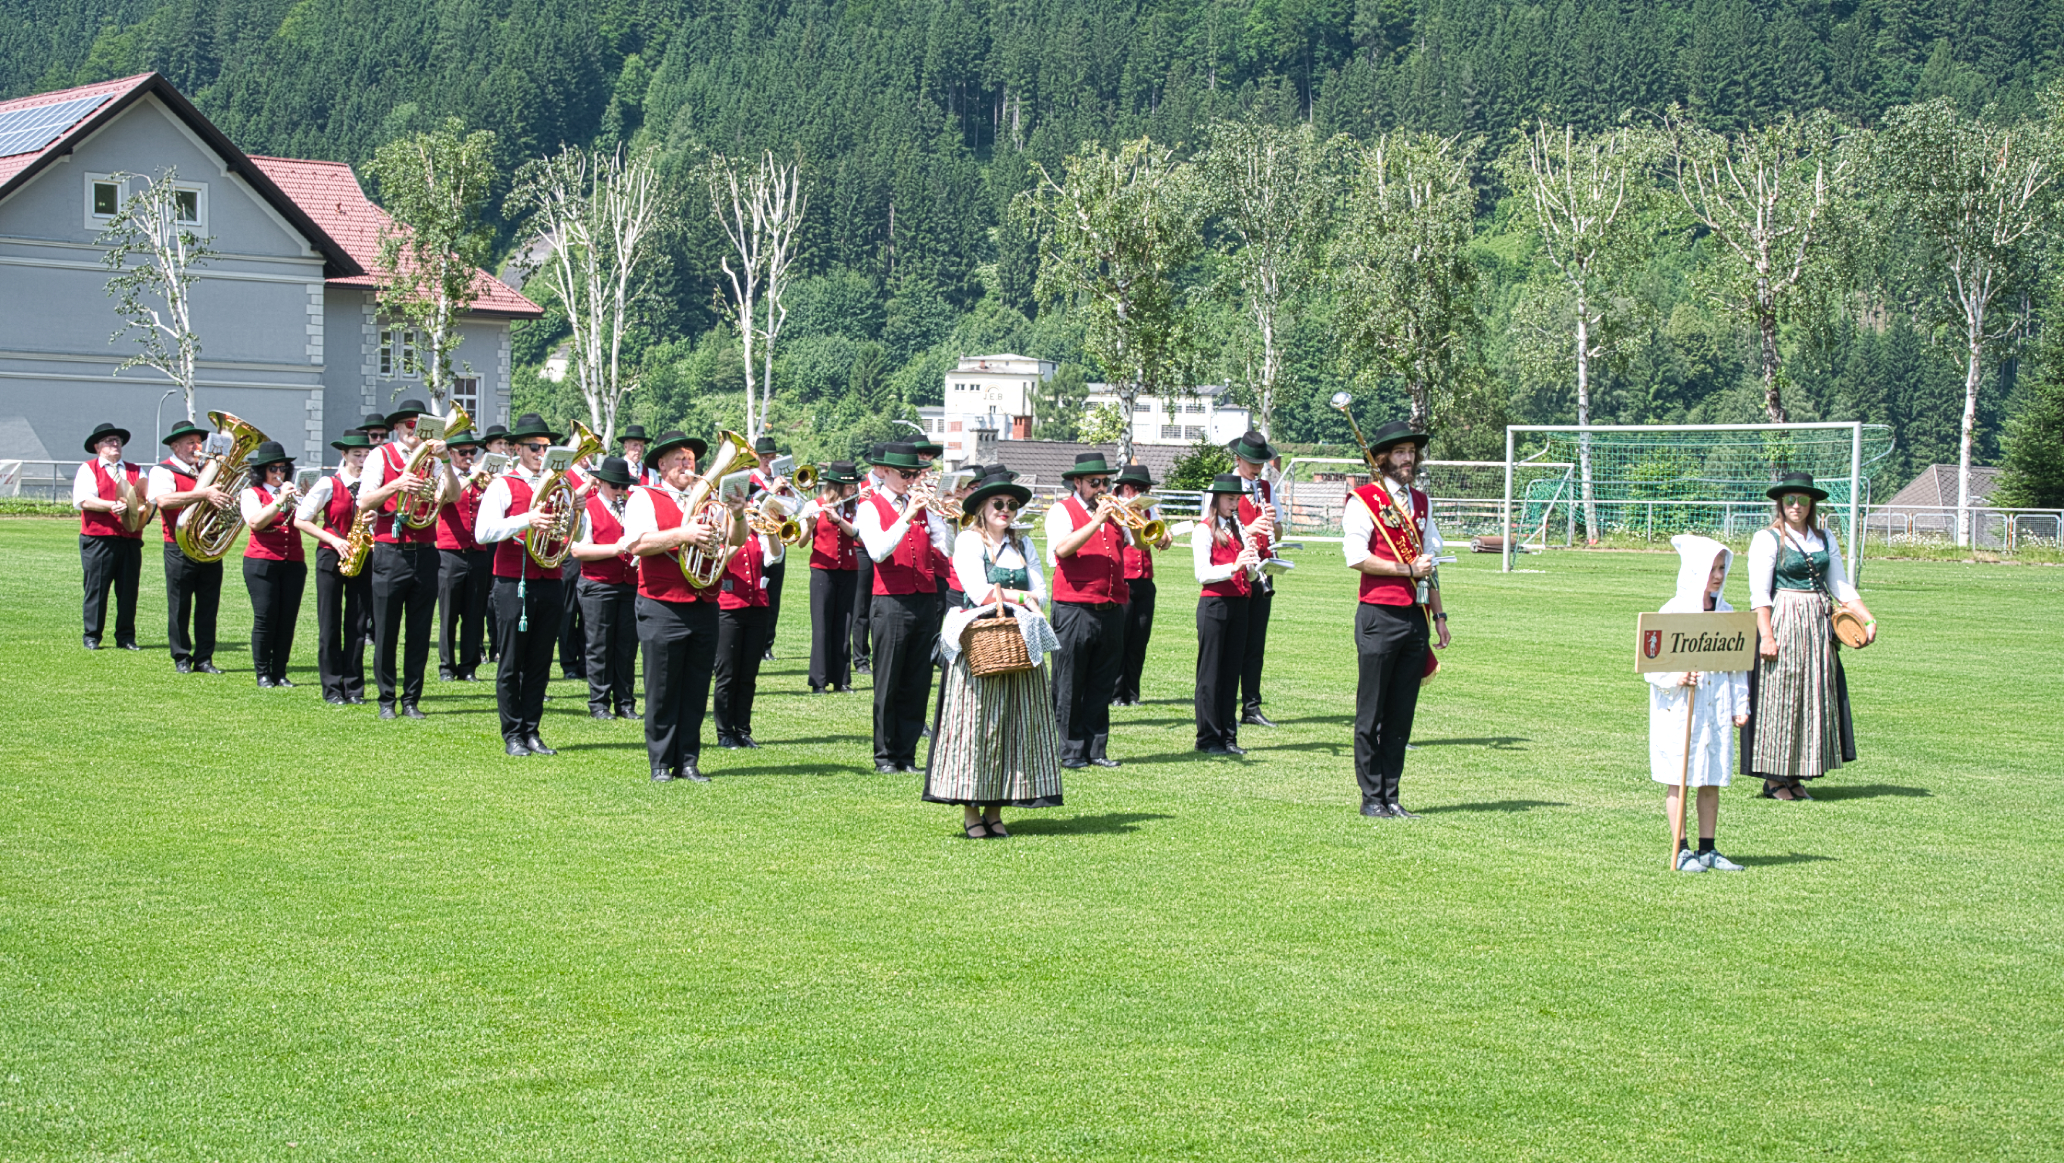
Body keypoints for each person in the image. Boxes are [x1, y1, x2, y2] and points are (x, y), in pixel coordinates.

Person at [925, 469, 1064, 838]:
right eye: (998, 504)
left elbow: (1042, 592)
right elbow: (979, 590)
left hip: (1018, 643)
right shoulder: (969, 541)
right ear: (982, 509)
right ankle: (971, 812)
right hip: (982, 643)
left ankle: (996, 811)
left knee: (1015, 728)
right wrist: (1021, 596)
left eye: (1011, 505)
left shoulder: (1023, 544)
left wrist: (1022, 597)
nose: (1006, 510)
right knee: (977, 729)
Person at [1744, 472, 1877, 801]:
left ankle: (1796, 775)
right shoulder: (1767, 539)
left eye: (1803, 499)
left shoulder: (1824, 537)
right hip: (1785, 619)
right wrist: (1767, 636)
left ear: (1811, 503)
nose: (1796, 506)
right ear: (1781, 503)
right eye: (1790, 499)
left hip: (1817, 624)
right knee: (1781, 696)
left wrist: (1866, 618)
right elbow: (1759, 595)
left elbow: (1840, 585)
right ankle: (1774, 778)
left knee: (1812, 696)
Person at [1343, 420, 1451, 819]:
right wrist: (1406, 569)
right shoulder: (1363, 500)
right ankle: (1371, 797)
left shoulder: (1420, 502)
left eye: (1411, 452)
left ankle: (1391, 795)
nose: (1408, 459)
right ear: (1382, 458)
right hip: (1379, 614)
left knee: (1402, 714)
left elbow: (1430, 563)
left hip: (1414, 617)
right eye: (1400, 452)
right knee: (1371, 713)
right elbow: (1356, 557)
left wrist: (1439, 615)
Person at [624, 431, 746, 783]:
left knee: (696, 687)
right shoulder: (645, 496)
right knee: (662, 688)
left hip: (703, 602)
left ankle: (688, 762)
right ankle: (661, 763)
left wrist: (738, 515)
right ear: (661, 465)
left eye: (690, 458)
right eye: (678, 458)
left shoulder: (711, 502)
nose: (686, 463)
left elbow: (736, 540)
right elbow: (637, 544)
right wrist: (684, 534)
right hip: (662, 604)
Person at [1648, 535, 1750, 872]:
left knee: (1710, 778)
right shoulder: (1672, 612)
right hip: (1679, 708)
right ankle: (1681, 849)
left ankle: (1708, 849)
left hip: (1715, 705)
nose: (1718, 575)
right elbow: (1651, 663)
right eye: (1711, 569)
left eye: (1722, 568)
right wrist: (1676, 676)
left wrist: (1740, 704)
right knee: (1679, 776)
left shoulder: (1727, 614)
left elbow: (1737, 665)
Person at [472, 413, 571, 756]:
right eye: (534, 447)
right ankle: (512, 734)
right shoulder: (504, 484)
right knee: (512, 661)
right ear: (517, 449)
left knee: (541, 662)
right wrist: (526, 520)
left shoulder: (559, 486)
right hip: (514, 581)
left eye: (546, 447)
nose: (541, 453)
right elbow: (483, 532)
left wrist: (577, 511)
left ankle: (531, 731)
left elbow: (576, 536)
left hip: (551, 579)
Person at [854, 442, 953, 775]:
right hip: (890, 601)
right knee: (889, 681)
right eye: (905, 474)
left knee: (917, 680)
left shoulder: (922, 505)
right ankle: (885, 756)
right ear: (885, 472)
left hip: (924, 598)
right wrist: (907, 515)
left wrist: (945, 518)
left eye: (915, 474)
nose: (911, 480)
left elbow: (946, 549)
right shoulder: (870, 506)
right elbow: (878, 551)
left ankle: (907, 755)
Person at [356, 399, 455, 719]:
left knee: (419, 632)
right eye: (410, 424)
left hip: (425, 551)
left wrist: (446, 461)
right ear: (397, 428)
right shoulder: (380, 455)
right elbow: (364, 501)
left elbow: (452, 495)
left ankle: (411, 699)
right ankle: (386, 699)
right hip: (390, 552)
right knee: (385, 631)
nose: (416, 430)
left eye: (421, 424)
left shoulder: (433, 458)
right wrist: (396, 484)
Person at [1044, 450, 1130, 770]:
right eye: (1095, 482)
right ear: (1077, 482)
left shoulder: (1113, 512)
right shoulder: (1061, 510)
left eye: (1105, 482)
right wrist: (1096, 521)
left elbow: (1138, 543)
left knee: (1102, 682)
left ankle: (1096, 749)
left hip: (1110, 606)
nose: (1101, 488)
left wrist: (1148, 527)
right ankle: (1070, 750)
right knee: (1069, 681)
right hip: (1074, 607)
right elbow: (1061, 550)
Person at [295, 430, 374, 704]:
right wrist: (333, 539)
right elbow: (301, 519)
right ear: (344, 455)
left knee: (358, 624)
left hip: (362, 555)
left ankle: (354, 688)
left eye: (366, 455)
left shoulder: (373, 486)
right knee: (329, 623)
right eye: (357, 455)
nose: (362, 460)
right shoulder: (328, 483)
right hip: (331, 554)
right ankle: (331, 688)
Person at [146, 418, 228, 674]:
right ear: (175, 446)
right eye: (190, 443)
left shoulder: (208, 470)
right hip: (178, 547)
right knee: (179, 605)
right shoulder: (163, 470)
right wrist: (204, 493)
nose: (197, 447)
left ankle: (204, 658)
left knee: (208, 606)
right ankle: (181, 656)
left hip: (208, 545)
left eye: (199, 442)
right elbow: (163, 500)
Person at [1192, 474, 1261, 755]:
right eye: (1230, 499)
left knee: (1232, 673)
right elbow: (1202, 574)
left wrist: (1252, 563)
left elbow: (1250, 575)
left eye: (1237, 500)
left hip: (1239, 604)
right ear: (1217, 499)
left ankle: (1228, 737)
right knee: (1210, 674)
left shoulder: (1238, 529)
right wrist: (1233, 566)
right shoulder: (1203, 530)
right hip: (1215, 605)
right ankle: (1208, 737)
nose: (1235, 504)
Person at [570, 456, 641, 720]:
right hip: (598, 584)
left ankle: (625, 702)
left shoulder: (632, 508)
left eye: (624, 486)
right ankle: (599, 703)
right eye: (615, 486)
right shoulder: (588, 508)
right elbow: (578, 550)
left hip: (629, 584)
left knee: (627, 647)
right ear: (600, 483)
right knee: (599, 645)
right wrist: (616, 548)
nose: (620, 491)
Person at [713, 482, 778, 749]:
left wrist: (771, 529)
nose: (749, 503)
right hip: (728, 608)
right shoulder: (720, 528)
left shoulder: (756, 531)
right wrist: (737, 533)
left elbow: (775, 556)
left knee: (748, 674)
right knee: (727, 673)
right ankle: (724, 732)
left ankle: (743, 729)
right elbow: (716, 561)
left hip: (757, 607)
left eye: (749, 498)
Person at [73, 421, 147, 651]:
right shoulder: (89, 468)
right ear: (97, 447)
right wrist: (112, 505)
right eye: (109, 441)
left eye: (117, 440)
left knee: (128, 591)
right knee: (96, 588)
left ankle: (126, 637)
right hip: (99, 539)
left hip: (130, 539)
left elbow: (146, 499)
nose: (115, 444)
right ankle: (92, 635)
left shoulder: (136, 470)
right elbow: (84, 500)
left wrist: (142, 508)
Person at [238, 441, 306, 688]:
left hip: (293, 561)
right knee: (266, 617)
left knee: (287, 619)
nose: (279, 473)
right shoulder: (251, 493)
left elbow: (310, 519)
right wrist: (279, 500)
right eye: (273, 469)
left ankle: (280, 671)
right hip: (262, 561)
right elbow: (255, 522)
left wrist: (306, 499)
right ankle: (263, 672)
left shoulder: (290, 492)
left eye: (283, 468)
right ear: (262, 471)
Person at [1228, 430, 1284, 728]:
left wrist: (1272, 524)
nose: (1257, 468)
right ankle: (1226, 706)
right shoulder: (1223, 486)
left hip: (1263, 571)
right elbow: (1213, 529)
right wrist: (1249, 528)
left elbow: (1279, 532)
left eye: (1260, 463)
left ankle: (1251, 706)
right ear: (1238, 459)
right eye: (1252, 462)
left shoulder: (1265, 488)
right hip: (1236, 572)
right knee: (1233, 643)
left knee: (1255, 644)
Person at [1112, 462, 1171, 706]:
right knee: (1120, 639)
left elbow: (1161, 539)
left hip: (1145, 580)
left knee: (1139, 639)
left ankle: (1132, 693)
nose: (1144, 493)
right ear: (1127, 489)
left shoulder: (1147, 510)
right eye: (1140, 489)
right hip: (1123, 579)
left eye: (1146, 489)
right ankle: (1115, 693)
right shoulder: (1114, 508)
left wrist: (1164, 537)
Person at [435, 431, 492, 683]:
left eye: (472, 452)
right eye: (463, 452)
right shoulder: (443, 476)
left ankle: (468, 667)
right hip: (449, 552)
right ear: (450, 454)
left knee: (474, 613)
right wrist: (471, 477)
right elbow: (443, 498)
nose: (469, 457)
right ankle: (446, 667)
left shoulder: (482, 479)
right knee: (449, 614)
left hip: (478, 552)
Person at [802, 462, 862, 694]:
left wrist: (838, 518)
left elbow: (859, 536)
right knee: (822, 626)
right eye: (849, 486)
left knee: (844, 625)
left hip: (849, 570)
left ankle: (841, 680)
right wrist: (809, 526)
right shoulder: (814, 505)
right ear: (837, 486)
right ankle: (818, 681)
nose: (853, 490)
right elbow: (801, 542)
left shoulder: (854, 508)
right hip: (822, 571)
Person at [746, 435, 798, 660]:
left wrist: (791, 490)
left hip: (778, 541)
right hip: (755, 542)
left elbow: (794, 508)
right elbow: (751, 510)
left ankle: (767, 645)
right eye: (765, 458)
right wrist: (773, 490)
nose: (769, 461)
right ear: (757, 458)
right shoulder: (749, 479)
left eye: (772, 457)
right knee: (756, 593)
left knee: (773, 597)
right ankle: (753, 643)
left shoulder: (781, 480)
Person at [850, 444, 886, 676]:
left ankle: (880, 654)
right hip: (861, 548)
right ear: (875, 466)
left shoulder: (891, 486)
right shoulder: (859, 484)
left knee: (880, 604)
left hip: (884, 546)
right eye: (884, 466)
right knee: (861, 606)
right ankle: (861, 658)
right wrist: (856, 502)